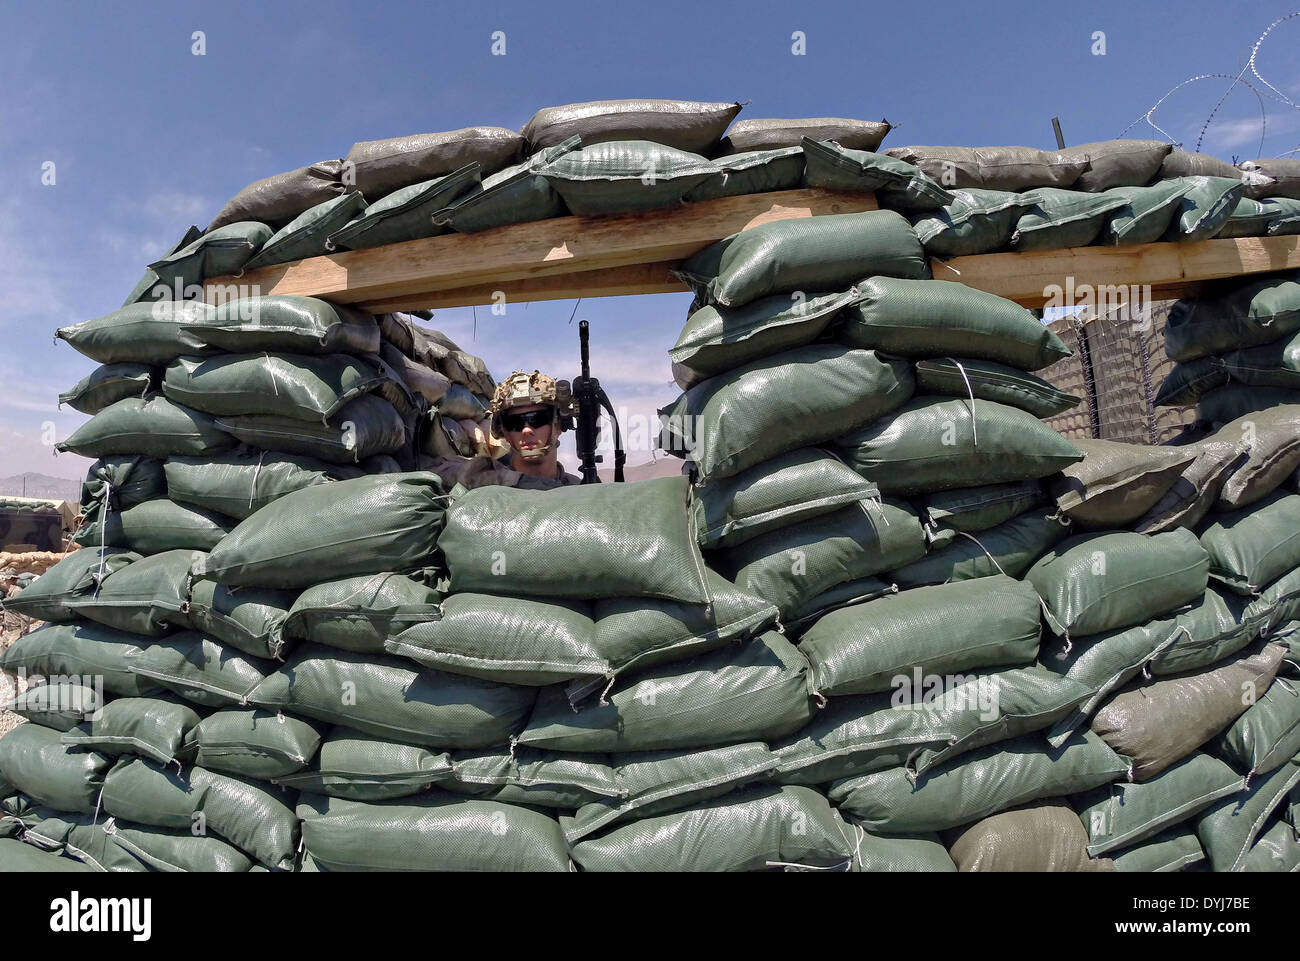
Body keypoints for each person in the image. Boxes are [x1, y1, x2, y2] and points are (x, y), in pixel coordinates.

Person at [488, 370, 582, 488]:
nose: (526, 430)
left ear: (558, 426)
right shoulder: (491, 489)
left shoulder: (579, 490)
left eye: (537, 419)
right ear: (504, 432)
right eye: (515, 423)